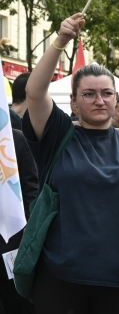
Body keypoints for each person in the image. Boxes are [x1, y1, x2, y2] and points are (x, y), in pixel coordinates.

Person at [23, 13, 119, 313]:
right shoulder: (58, 137)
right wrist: (61, 41)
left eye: (106, 93)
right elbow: (34, 93)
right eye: (88, 94)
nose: (99, 100)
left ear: (116, 98)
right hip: (60, 279)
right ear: (74, 102)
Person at [0, 129, 37, 314]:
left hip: (13, 242)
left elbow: (31, 187)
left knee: (17, 301)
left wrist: (28, 232)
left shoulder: (13, 138)